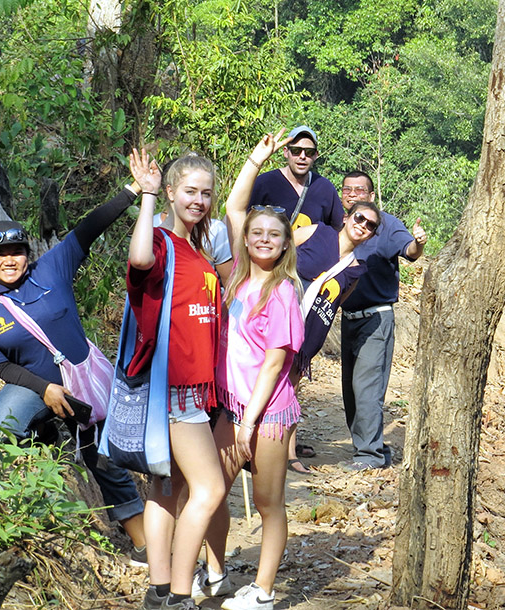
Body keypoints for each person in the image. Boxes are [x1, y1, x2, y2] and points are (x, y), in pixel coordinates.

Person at [0, 170, 147, 563]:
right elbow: (0, 365)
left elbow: (90, 228)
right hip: (36, 387)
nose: (8, 260)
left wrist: (133, 190)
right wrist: (45, 390)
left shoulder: (51, 269)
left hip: (84, 384)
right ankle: (19, 519)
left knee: (103, 461)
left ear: (27, 253)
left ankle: (145, 546)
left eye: (15, 251)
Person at [203, 131, 305, 610]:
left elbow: (274, 362)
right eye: (257, 233)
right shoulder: (240, 274)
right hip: (232, 406)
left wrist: (248, 424)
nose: (264, 240)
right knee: (211, 492)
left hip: (266, 413)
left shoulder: (282, 292)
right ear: (247, 240)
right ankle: (217, 571)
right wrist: (254, 159)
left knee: (267, 504)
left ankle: (263, 592)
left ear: (286, 245)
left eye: (274, 236)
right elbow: (233, 208)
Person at [126, 148, 229, 610]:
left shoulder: (194, 247)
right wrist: (146, 198)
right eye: (190, 191)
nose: (200, 200)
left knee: (169, 488)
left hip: (193, 390)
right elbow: (140, 257)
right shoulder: (164, 243)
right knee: (209, 489)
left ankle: (160, 588)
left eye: (206, 193)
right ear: (171, 192)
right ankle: (182, 596)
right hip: (175, 391)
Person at [283, 198, 382, 474]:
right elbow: (280, 247)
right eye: (359, 218)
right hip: (280, 320)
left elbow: (335, 304)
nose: (362, 225)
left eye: (370, 225)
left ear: (372, 234)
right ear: (347, 217)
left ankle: (288, 453)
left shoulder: (355, 271)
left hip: (308, 336)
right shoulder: (317, 232)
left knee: (290, 391)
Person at [338, 171, 427, 470]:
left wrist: (419, 242)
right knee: (351, 391)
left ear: (371, 196)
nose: (353, 194)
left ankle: (369, 456)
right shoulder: (341, 225)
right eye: (348, 189)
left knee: (367, 388)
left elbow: (410, 252)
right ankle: (372, 448)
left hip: (376, 319)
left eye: (360, 190)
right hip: (347, 318)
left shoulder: (386, 225)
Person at [247, 125, 344, 230]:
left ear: (316, 155)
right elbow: (243, 220)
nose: (302, 156)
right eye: (296, 151)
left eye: (309, 152)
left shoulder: (325, 188)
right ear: (286, 152)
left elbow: (338, 230)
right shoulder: (264, 183)